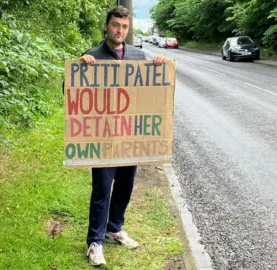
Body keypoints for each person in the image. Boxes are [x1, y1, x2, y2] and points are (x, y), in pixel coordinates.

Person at [78, 5, 167, 267]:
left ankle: (115, 227)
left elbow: (152, 90)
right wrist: (81, 68)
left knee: (126, 186)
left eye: (125, 26)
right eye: (116, 25)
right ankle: (95, 241)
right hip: (104, 137)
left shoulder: (138, 56)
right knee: (102, 189)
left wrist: (159, 66)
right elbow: (70, 92)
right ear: (106, 26)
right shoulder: (92, 56)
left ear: (129, 29)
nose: (120, 30)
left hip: (131, 136)